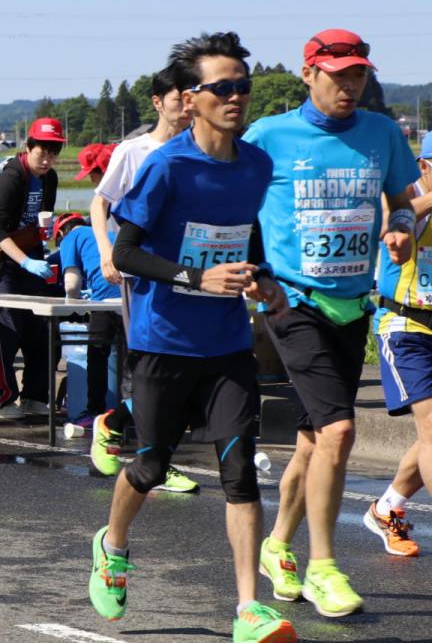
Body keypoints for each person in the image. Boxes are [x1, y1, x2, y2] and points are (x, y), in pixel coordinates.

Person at [88, 31, 294, 643]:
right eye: (223, 88)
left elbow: (246, 237)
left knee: (239, 472)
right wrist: (197, 276)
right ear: (192, 97)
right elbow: (125, 253)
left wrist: (264, 279)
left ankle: (248, 609)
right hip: (163, 339)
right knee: (150, 465)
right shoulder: (166, 166)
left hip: (227, 343)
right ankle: (113, 543)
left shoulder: (255, 163)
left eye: (244, 87)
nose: (237, 97)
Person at [244, 29, 416, 618]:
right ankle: (323, 566)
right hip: (291, 302)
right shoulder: (268, 136)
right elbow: (229, 203)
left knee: (315, 438)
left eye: (358, 75)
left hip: (352, 305)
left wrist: (401, 229)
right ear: (309, 73)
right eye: (338, 74)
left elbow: (405, 202)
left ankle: (276, 545)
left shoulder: (382, 133)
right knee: (342, 433)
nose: (349, 86)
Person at [88, 68, 193, 481]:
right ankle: (154, 462)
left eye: (191, 98)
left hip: (190, 275)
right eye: (177, 99)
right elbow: (101, 204)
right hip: (145, 277)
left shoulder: (198, 149)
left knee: (188, 372)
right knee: (157, 367)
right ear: (157, 102)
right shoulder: (133, 151)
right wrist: (106, 251)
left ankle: (115, 426)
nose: (186, 107)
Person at [0, 118, 64, 419]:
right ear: (28, 147)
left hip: (30, 254)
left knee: (43, 329)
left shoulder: (50, 179)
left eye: (53, 152)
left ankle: (35, 396)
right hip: (0, 261)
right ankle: (2, 398)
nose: (46, 159)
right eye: (41, 152)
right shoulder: (11, 179)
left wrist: (43, 241)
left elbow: (41, 217)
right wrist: (24, 261)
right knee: (6, 331)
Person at [367, 133, 432, 559]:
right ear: (425, 165)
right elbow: (392, 220)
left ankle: (387, 507)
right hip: (404, 326)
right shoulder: (408, 200)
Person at [55, 213, 123, 426]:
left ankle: (94, 412)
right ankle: (128, 413)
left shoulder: (70, 239)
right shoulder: (105, 233)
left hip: (104, 297)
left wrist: (73, 298)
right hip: (130, 296)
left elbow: (72, 284)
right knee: (128, 357)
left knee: (97, 353)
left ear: (60, 233)